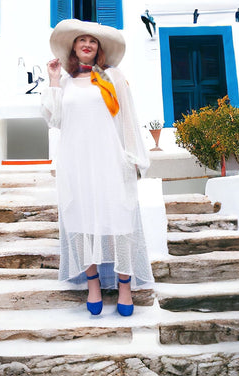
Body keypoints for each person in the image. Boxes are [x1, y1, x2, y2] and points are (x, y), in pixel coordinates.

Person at [41, 19, 153, 317]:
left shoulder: (112, 78)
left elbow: (128, 118)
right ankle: (92, 285)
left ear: (99, 49)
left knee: (119, 220)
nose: (87, 44)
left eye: (92, 41)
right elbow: (53, 118)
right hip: (76, 162)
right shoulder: (64, 81)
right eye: (81, 40)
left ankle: (125, 286)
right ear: (74, 48)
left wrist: (134, 157)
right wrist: (53, 79)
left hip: (110, 160)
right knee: (80, 221)